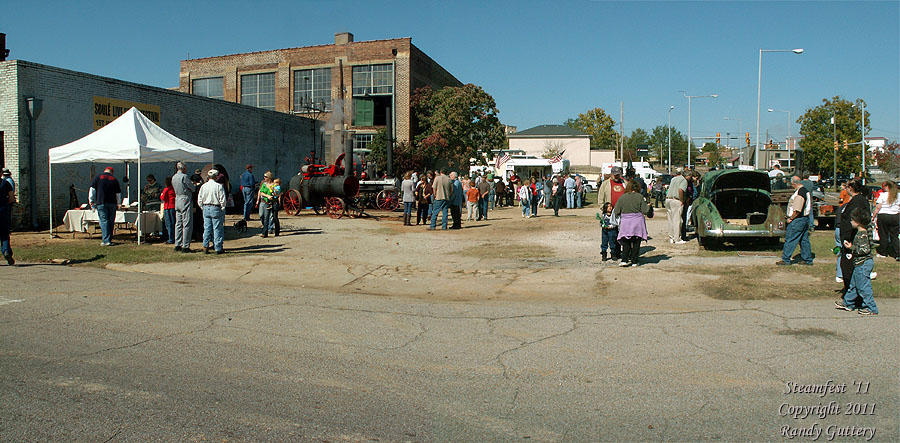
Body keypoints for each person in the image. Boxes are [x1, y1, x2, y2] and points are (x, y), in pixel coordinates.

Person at [834, 208, 879, 315]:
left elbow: (865, 249)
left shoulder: (862, 234)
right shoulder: (861, 233)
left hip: (863, 263)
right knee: (853, 285)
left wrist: (852, 248)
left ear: (857, 222)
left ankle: (871, 308)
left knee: (863, 287)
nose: (850, 222)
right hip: (859, 263)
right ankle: (848, 303)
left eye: (852, 220)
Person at [838, 180, 871, 293]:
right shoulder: (857, 200)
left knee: (848, 267)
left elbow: (855, 220)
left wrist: (848, 238)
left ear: (851, 188)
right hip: (849, 238)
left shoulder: (858, 201)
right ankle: (850, 295)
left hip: (852, 239)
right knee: (846, 266)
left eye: (846, 187)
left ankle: (852, 294)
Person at [777, 176, 813, 266]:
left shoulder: (800, 192)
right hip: (804, 219)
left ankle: (786, 259)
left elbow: (797, 209)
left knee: (790, 239)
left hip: (798, 219)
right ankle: (807, 259)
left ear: (794, 183)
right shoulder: (805, 190)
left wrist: (791, 218)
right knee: (804, 240)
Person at [614, 180, 651, 267]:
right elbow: (645, 210)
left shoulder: (622, 197)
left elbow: (616, 211)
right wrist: (649, 206)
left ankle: (624, 260)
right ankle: (634, 261)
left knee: (626, 242)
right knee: (636, 242)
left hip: (626, 222)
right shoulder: (640, 197)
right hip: (638, 222)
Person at [88, 167, 122, 247]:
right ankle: (109, 239)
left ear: (105, 171)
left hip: (101, 202)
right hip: (112, 203)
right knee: (111, 221)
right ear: (112, 172)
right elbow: (118, 194)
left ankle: (106, 240)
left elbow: (92, 189)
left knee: (104, 221)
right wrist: (118, 203)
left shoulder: (98, 177)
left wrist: (91, 200)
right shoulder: (114, 179)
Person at [198, 169, 227, 254]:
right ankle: (218, 247)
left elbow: (200, 199)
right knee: (217, 228)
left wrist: (202, 207)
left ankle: (205, 246)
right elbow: (223, 199)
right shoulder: (218, 186)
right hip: (215, 207)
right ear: (216, 177)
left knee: (207, 228)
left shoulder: (204, 186)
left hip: (206, 207)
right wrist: (222, 208)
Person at [172, 162, 196, 252]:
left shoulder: (174, 177)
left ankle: (177, 243)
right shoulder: (184, 177)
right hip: (185, 199)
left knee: (178, 223)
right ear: (184, 168)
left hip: (177, 199)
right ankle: (185, 245)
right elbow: (192, 188)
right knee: (187, 223)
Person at [873, 180, 899, 260]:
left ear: (888, 187)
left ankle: (883, 252)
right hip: (895, 216)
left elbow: (878, 207)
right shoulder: (898, 195)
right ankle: (897, 253)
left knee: (883, 234)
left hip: (883, 216)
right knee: (894, 235)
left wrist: (873, 216)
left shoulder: (883, 195)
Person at [665, 168, 689, 244]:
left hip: (668, 199)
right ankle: (677, 238)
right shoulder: (683, 180)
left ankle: (671, 237)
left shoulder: (673, 179)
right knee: (677, 220)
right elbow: (680, 190)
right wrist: (681, 200)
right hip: (676, 200)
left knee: (670, 220)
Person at [0, 174, 15, 265]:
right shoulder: (6, 184)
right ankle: (6, 251)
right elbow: (11, 198)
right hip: (3, 211)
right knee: (4, 234)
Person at [257, 171, 275, 237]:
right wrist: (266, 196)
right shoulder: (264, 184)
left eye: (265, 176)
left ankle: (266, 231)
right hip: (263, 201)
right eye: (264, 176)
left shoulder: (273, 184)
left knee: (268, 217)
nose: (264, 178)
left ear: (269, 177)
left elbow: (277, 192)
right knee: (261, 215)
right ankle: (265, 227)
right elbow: (261, 192)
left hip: (269, 203)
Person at [160, 177, 176, 245]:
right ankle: (174, 237)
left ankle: (170, 238)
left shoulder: (166, 189)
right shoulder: (174, 189)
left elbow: (163, 198)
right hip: (173, 206)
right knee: (173, 223)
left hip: (168, 207)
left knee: (169, 223)